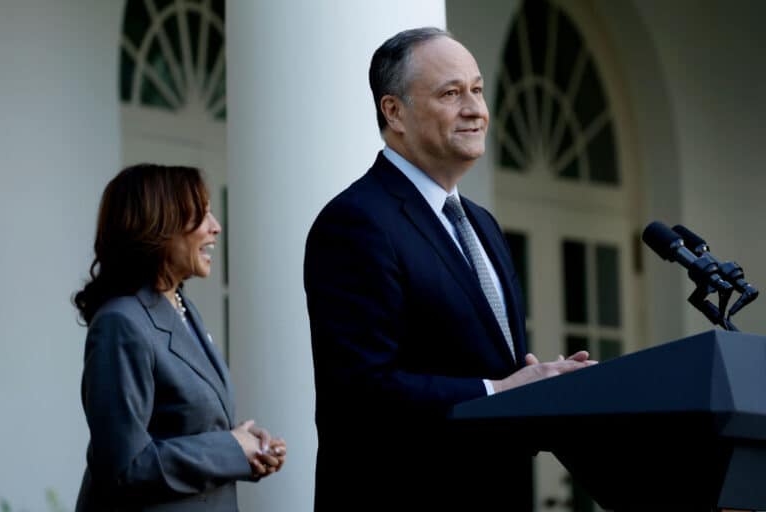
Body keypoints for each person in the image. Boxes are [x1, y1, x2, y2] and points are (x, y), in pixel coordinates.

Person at [304, 27, 595, 510]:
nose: (475, 109)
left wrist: (541, 384)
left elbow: (490, 363)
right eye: (451, 93)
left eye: (477, 90)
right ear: (393, 111)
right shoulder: (356, 222)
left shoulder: (482, 224)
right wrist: (497, 391)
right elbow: (360, 391)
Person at [73, 164, 285, 511]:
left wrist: (246, 446)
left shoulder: (181, 306)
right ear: (158, 227)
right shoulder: (121, 323)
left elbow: (183, 428)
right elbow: (125, 467)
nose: (216, 226)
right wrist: (230, 448)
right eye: (200, 215)